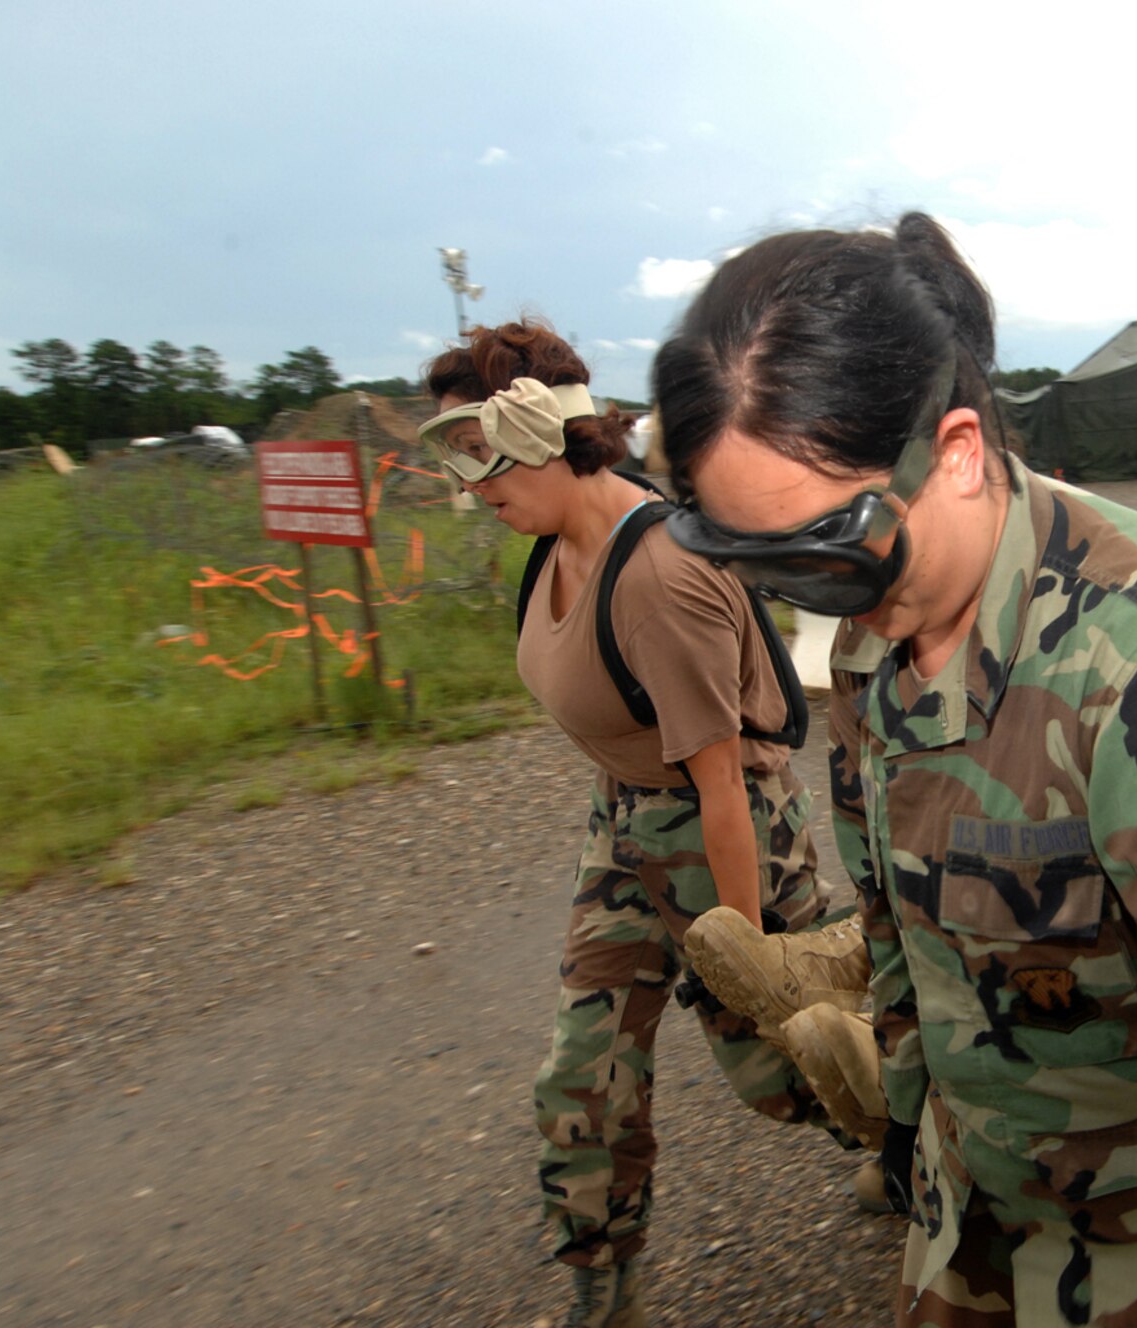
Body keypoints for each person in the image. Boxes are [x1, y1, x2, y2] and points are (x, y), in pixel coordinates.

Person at [652, 214, 1137, 1327]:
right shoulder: (878, 620)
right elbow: (897, 914)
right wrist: (902, 1102)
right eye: (762, 565)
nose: (815, 597)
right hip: (967, 1215)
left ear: (959, 450)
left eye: (829, 553)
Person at [419, 321, 852, 1328]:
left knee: (785, 1068)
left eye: (478, 453)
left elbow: (721, 788)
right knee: (583, 1067)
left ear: (543, 437)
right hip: (624, 826)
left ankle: (921, 1155)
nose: (470, 485)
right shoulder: (550, 540)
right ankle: (602, 1284)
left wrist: (740, 951)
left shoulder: (659, 574)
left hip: (723, 834)